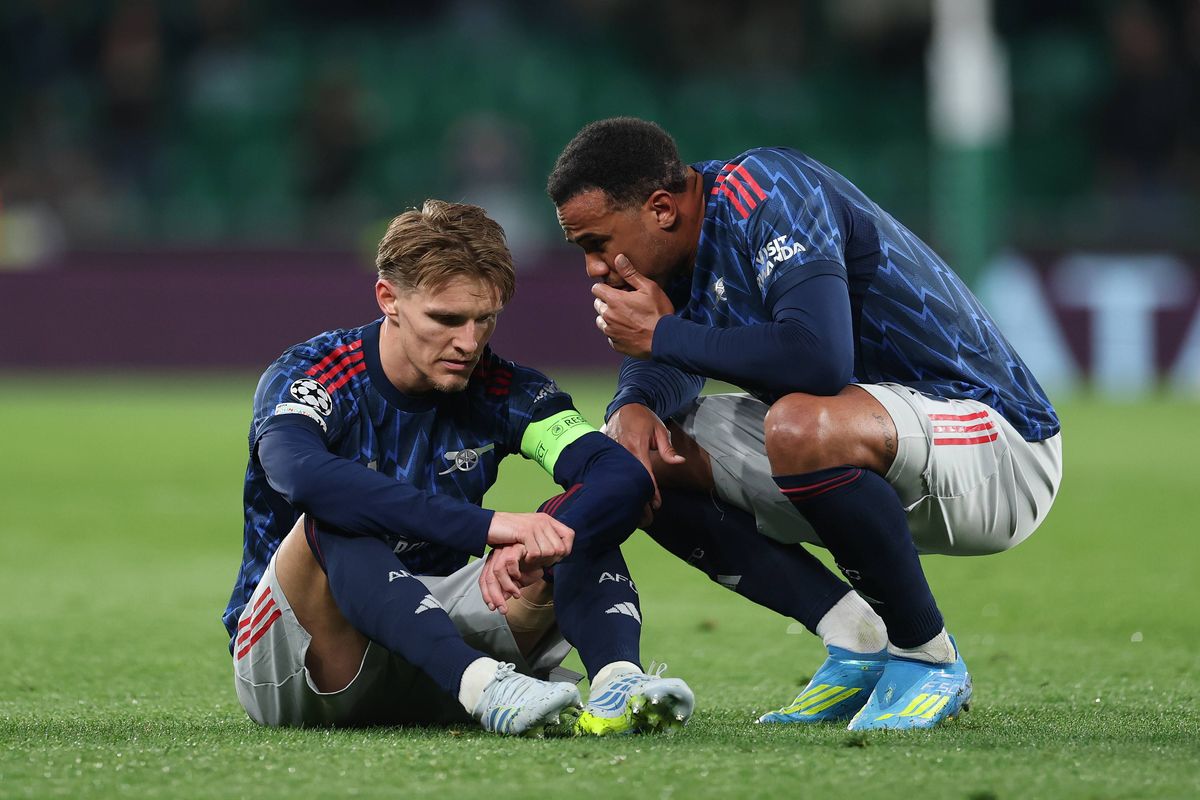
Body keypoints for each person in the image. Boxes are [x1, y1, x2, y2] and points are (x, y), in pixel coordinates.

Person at [547, 118, 1062, 731]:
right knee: (637, 457)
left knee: (798, 424)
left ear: (661, 209)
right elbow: (684, 358)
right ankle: (858, 640)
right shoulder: (677, 249)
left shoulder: (769, 191)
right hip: (872, 443)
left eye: (596, 243)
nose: (593, 269)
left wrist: (661, 334)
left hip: (996, 446)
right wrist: (631, 406)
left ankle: (927, 656)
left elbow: (817, 358)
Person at [222, 199, 694, 736]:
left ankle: (616, 682)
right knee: (333, 515)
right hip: (305, 662)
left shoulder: (504, 388)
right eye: (446, 319)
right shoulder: (315, 375)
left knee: (571, 526)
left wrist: (539, 537)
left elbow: (619, 476)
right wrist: (489, 527)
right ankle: (483, 687)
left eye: (484, 319)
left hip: (433, 641)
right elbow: (302, 475)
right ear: (389, 299)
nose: (468, 343)